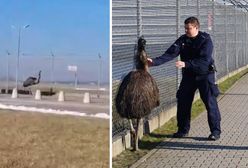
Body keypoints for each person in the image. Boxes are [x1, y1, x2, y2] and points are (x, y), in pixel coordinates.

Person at [147, 16, 221, 140]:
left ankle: (215, 131)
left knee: (210, 103)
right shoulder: (182, 40)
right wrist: (153, 62)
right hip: (189, 77)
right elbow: (170, 54)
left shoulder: (205, 40)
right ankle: (182, 130)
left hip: (205, 76)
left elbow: (204, 60)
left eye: (189, 28)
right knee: (183, 102)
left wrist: (186, 64)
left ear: (196, 27)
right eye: (185, 28)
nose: (186, 30)